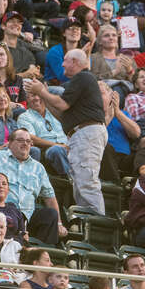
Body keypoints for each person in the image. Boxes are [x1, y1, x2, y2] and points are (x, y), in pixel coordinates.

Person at [27, 49, 108, 213]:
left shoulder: (83, 77)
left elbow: (62, 104)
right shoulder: (80, 82)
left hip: (87, 133)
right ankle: (87, 221)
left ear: (75, 62)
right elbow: (61, 115)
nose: (62, 64)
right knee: (80, 181)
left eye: (65, 60)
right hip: (82, 133)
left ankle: (97, 223)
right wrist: (43, 95)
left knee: (86, 181)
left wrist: (42, 91)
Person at [0, 129, 66, 245]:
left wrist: (59, 223)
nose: (25, 144)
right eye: (20, 140)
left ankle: (41, 255)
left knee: (50, 215)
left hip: (26, 217)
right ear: (10, 143)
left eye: (28, 141)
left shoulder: (38, 168)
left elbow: (49, 196)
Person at [17, 91, 71, 176]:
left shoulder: (55, 112)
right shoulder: (25, 117)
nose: (37, 98)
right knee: (56, 150)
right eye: (33, 95)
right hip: (47, 149)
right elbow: (31, 138)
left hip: (68, 145)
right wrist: (56, 145)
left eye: (39, 95)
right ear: (27, 99)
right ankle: (71, 179)